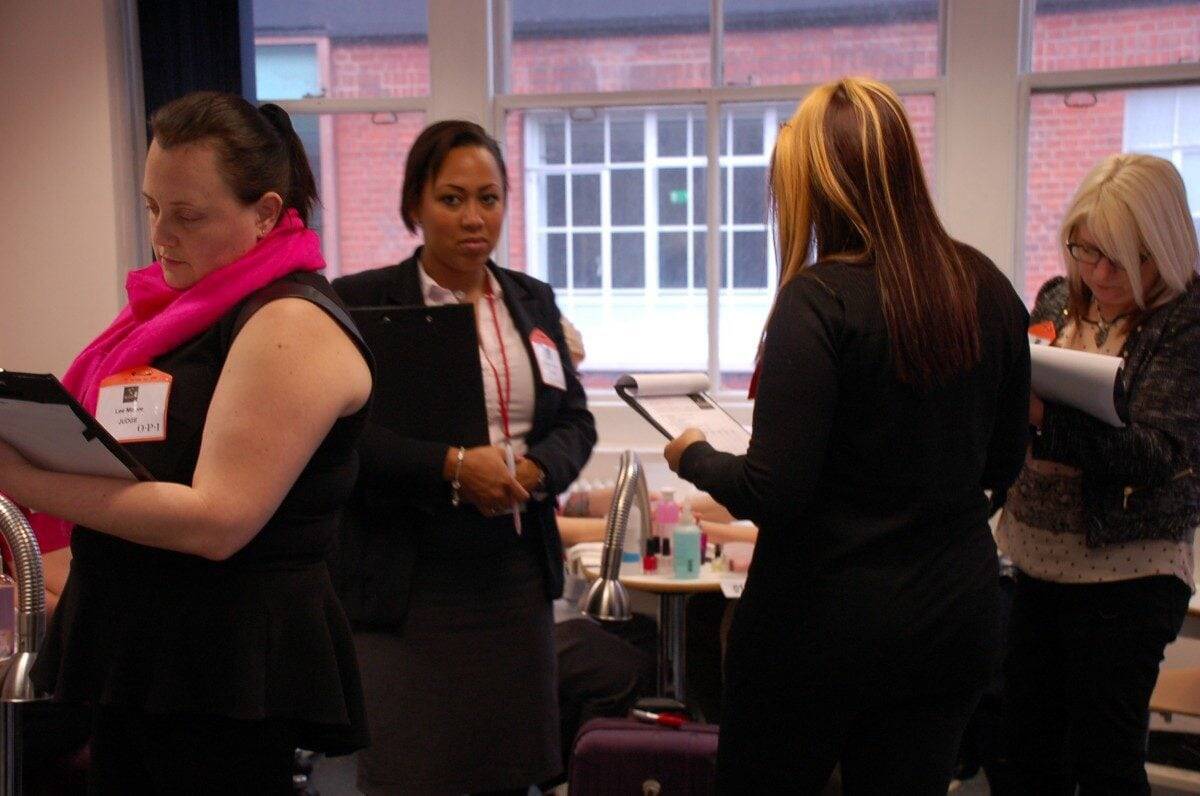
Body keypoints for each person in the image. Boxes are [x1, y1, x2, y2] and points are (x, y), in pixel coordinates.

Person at [663, 77, 1030, 793]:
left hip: (822, 626)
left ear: (818, 187)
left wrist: (693, 455)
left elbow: (774, 489)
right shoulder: (987, 285)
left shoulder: (819, 299)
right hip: (952, 617)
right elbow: (1003, 462)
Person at [0, 91, 374, 792]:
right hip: (145, 650)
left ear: (265, 213)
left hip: (220, 665)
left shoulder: (289, 322)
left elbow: (217, 521)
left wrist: (23, 479)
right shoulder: (177, 315)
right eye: (152, 208)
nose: (161, 236)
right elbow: (134, 475)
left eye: (188, 215)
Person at [331, 120, 596, 795]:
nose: (474, 218)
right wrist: (451, 466)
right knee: (410, 773)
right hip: (405, 581)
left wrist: (539, 470)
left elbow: (575, 420)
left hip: (513, 577)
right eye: (452, 199)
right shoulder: (361, 300)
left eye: (489, 198)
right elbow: (343, 434)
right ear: (415, 206)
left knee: (507, 771)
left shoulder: (531, 300)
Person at [995, 153, 1200, 794]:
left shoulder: (1186, 320)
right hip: (1035, 558)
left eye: (1123, 259)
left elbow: (1158, 453)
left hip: (1129, 572)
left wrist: (1043, 417)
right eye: (1087, 251)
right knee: (1022, 754)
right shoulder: (1059, 298)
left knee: (1104, 762)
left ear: (1164, 248)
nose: (1100, 273)